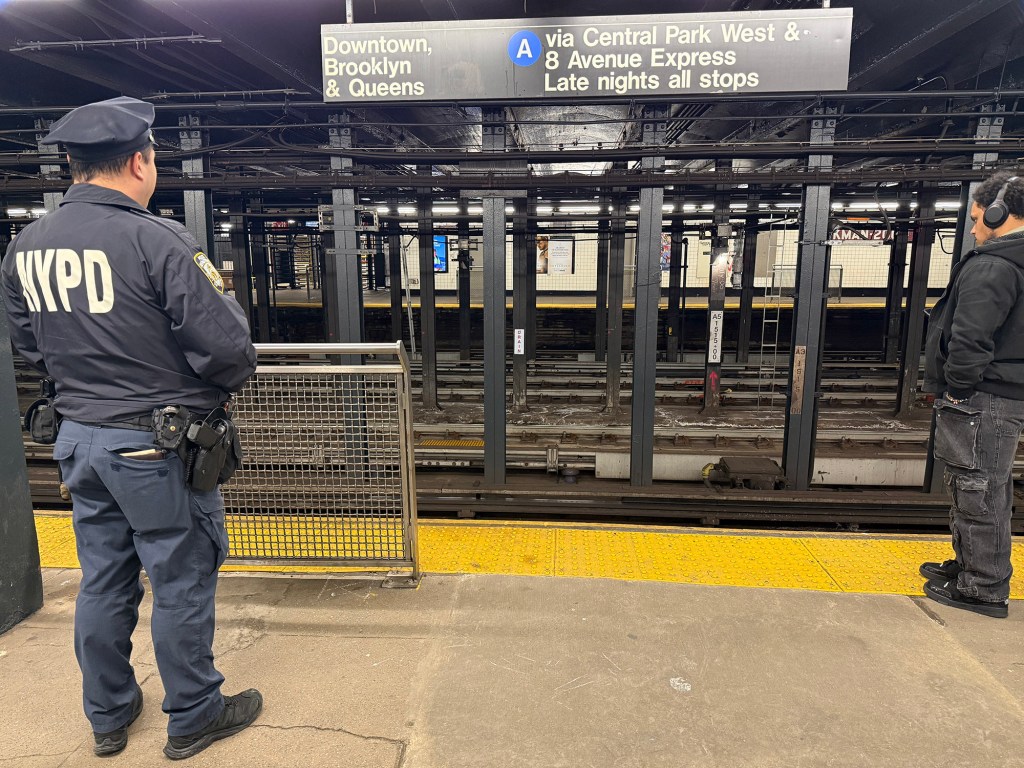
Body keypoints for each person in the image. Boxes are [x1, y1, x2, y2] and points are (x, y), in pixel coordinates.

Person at [0, 96, 263, 758]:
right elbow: (231, 352)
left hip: (79, 440)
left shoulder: (25, 246)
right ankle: (196, 713)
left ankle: (109, 715)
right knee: (180, 574)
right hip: (155, 447)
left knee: (104, 578)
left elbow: (29, 343)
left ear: (70, 164)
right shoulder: (158, 239)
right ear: (142, 161)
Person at [921, 170, 1024, 619]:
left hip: (983, 397)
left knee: (976, 488)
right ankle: (970, 567)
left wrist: (958, 390)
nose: (974, 227)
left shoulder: (993, 265)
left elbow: (970, 339)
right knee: (981, 486)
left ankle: (982, 587)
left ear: (1000, 213)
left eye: (979, 217)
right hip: (1000, 395)